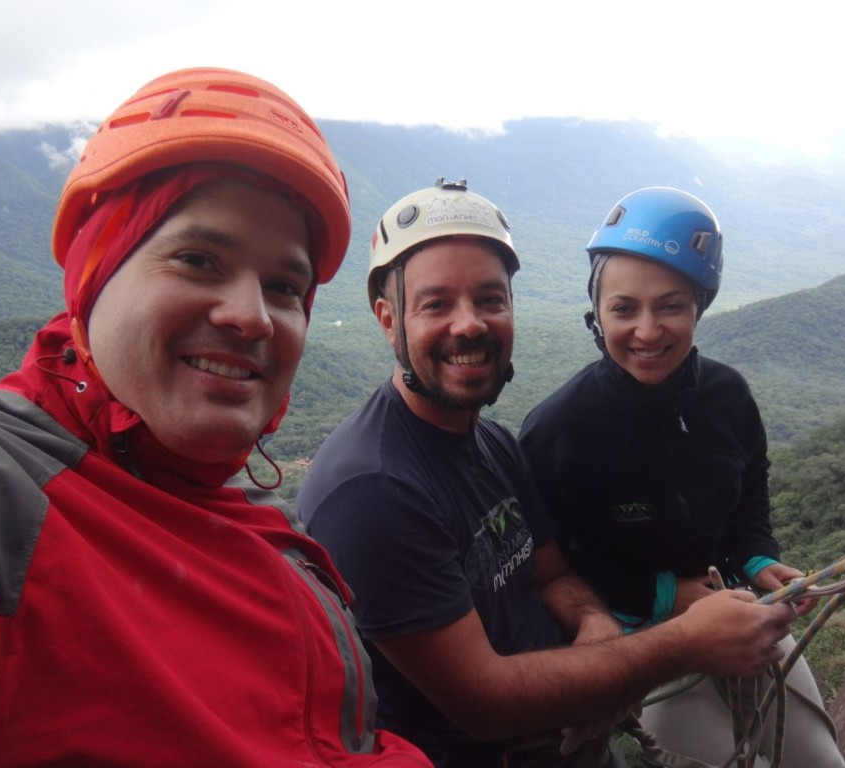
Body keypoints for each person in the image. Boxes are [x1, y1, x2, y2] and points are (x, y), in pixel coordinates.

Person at [0, 67, 433, 767]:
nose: (251, 315)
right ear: (94, 274)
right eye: (197, 259)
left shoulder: (267, 526)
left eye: (285, 286)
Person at [295, 178, 799, 768]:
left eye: (490, 299)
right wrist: (683, 640)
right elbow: (485, 703)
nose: (470, 325)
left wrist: (595, 623)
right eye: (436, 304)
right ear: (388, 319)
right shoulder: (373, 490)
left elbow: (552, 572)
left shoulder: (492, 442)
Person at [519, 186, 845, 767]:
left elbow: (749, 491)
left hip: (733, 600)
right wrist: (666, 596)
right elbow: (556, 563)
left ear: (699, 306)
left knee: (819, 761)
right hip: (643, 639)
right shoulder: (559, 430)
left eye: (670, 306)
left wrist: (755, 557)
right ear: (596, 311)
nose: (648, 330)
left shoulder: (726, 397)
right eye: (624, 309)